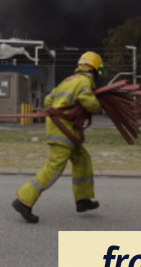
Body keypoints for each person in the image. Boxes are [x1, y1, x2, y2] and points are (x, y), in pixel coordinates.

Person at [11, 51, 105, 224]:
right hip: (63, 131)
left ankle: (83, 200)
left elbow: (48, 100)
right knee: (53, 168)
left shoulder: (68, 81)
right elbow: (90, 103)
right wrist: (100, 106)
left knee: (82, 159)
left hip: (64, 128)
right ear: (95, 70)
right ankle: (23, 200)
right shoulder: (84, 82)